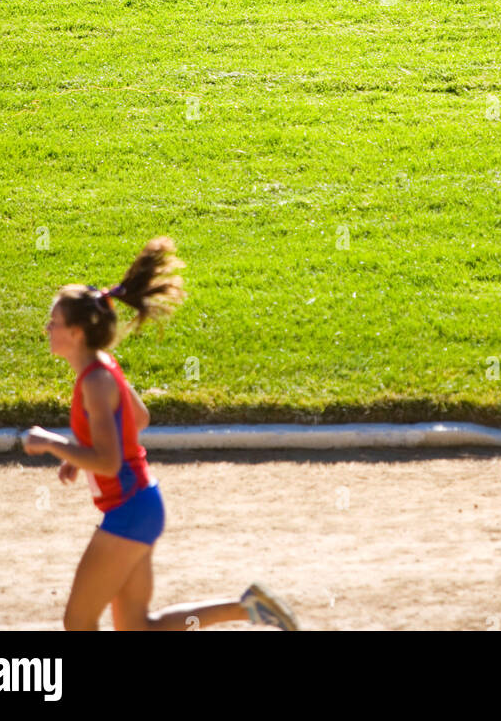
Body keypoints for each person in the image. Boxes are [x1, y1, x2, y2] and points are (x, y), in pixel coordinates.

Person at [23, 235, 298, 632]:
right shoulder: (102, 367)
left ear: (78, 332)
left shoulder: (95, 381)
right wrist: (76, 455)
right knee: (138, 627)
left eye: (55, 321)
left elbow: (109, 459)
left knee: (78, 622)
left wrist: (53, 444)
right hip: (143, 502)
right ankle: (248, 608)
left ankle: (248, 608)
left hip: (129, 512)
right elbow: (140, 417)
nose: (48, 327)